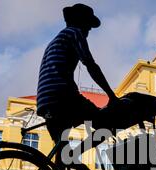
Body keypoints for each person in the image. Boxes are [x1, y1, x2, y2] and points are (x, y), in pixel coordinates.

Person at [36, 3, 119, 150]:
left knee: (61, 150)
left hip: (45, 102)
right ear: (81, 22)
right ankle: (75, 155)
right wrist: (111, 95)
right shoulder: (75, 33)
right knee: (107, 126)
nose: (89, 30)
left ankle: (63, 166)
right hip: (63, 97)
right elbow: (91, 66)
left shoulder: (54, 41)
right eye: (88, 25)